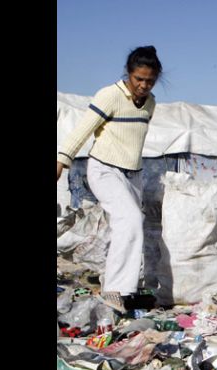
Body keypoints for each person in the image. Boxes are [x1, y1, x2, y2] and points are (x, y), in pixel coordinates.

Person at [56, 46, 163, 312]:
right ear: (129, 73)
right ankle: (113, 292)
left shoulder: (150, 104)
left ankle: (126, 291)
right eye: (139, 79)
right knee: (130, 220)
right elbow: (82, 130)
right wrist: (62, 160)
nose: (143, 85)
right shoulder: (110, 95)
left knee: (128, 228)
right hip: (104, 169)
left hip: (133, 174)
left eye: (149, 80)